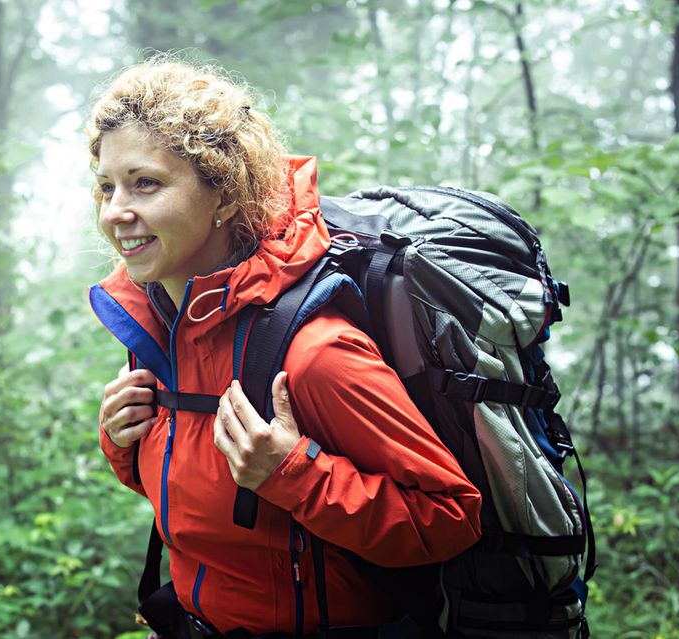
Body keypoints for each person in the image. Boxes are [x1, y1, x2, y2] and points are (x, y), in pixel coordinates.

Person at [88, 57, 482, 638]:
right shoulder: (164, 334)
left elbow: (449, 519)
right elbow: (203, 503)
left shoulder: (314, 354)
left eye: (146, 183)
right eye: (106, 186)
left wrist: (296, 476)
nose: (116, 211)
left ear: (222, 195)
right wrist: (124, 441)